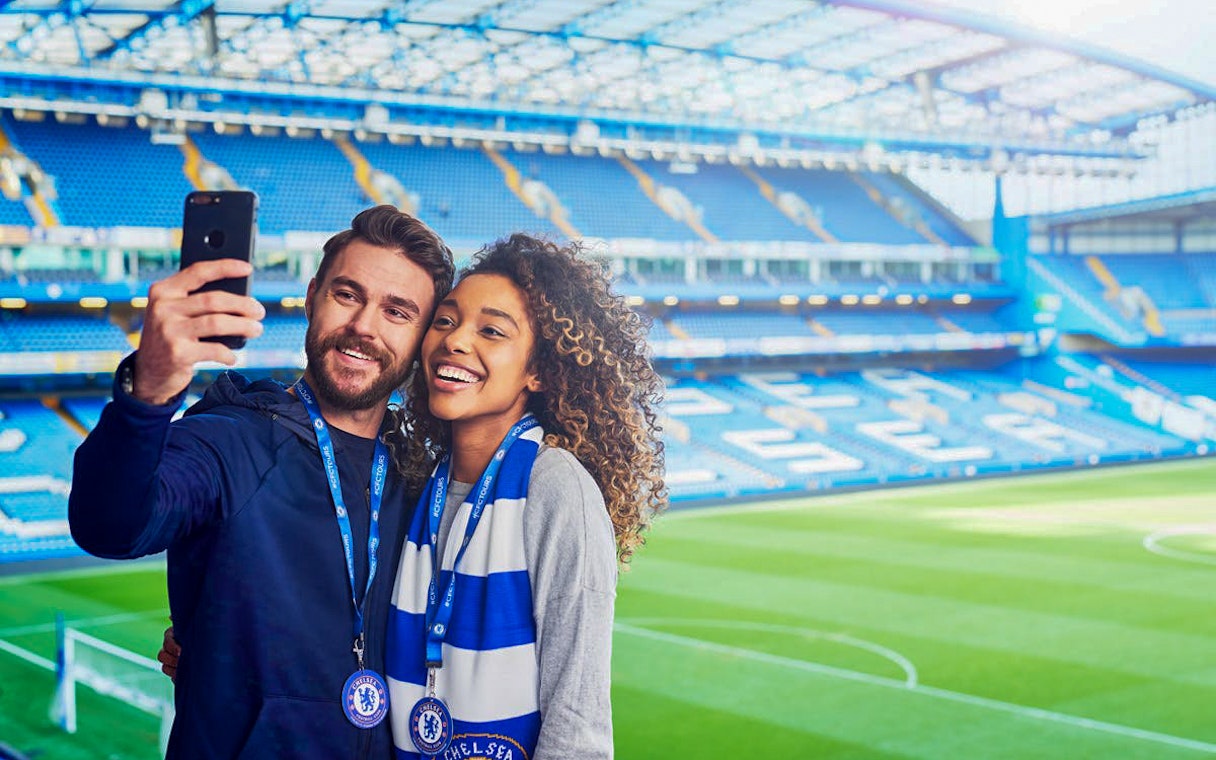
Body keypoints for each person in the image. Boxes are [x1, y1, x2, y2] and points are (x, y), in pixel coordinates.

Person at [68, 205, 454, 759]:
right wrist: (150, 389)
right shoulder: (231, 440)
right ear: (312, 295)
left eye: (397, 312)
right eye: (348, 295)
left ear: (421, 336)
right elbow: (109, 524)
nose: (364, 326)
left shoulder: (422, 475)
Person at [383, 234, 667, 759]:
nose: (455, 341)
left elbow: (577, 726)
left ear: (538, 368)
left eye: (491, 331)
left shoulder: (555, 488)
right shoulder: (416, 478)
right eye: (445, 321)